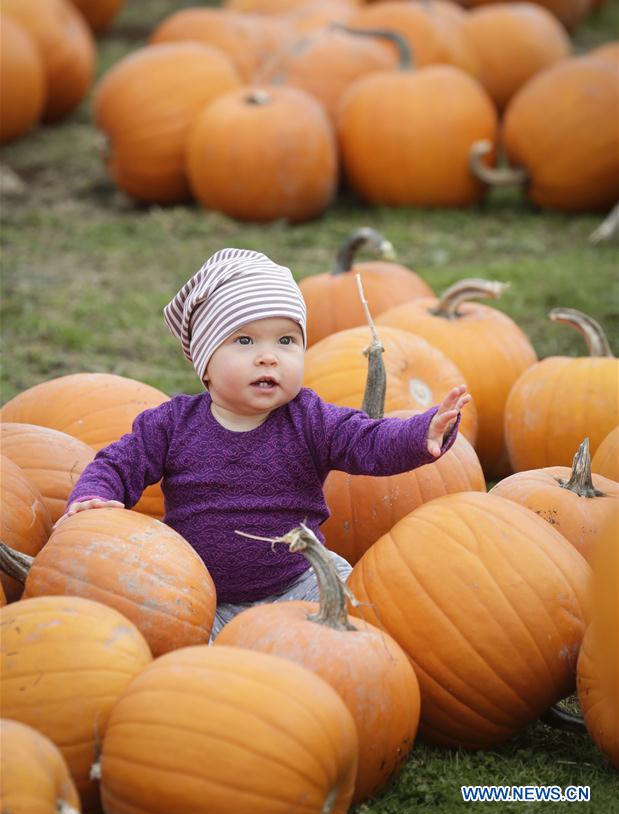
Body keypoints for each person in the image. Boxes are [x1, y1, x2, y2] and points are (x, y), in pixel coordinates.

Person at [62, 247, 471, 638]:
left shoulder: (309, 418)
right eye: (245, 341)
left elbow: (367, 440)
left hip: (300, 582)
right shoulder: (172, 425)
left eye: (286, 341)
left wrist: (420, 433)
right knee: (183, 651)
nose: (268, 356)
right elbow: (119, 462)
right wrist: (94, 497)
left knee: (357, 615)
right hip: (203, 598)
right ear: (205, 363)